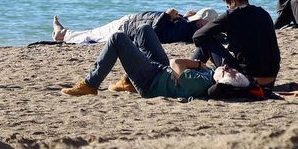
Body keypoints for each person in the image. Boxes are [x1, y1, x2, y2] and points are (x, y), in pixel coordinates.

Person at [60, 25, 216, 98]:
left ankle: (90, 85)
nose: (228, 68)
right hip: (161, 69)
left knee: (117, 38)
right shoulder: (211, 74)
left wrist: (197, 65)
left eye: (229, 71)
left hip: (151, 81)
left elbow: (176, 63)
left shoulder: (201, 83)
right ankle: (128, 82)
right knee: (144, 30)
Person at [191, 0, 281, 85]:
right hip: (270, 78)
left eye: (228, 6)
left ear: (233, 1)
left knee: (207, 41)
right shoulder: (264, 13)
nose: (229, 9)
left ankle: (189, 74)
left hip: (247, 78)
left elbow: (197, 36)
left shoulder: (232, 15)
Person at [52, 7, 216, 46]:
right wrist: (184, 17)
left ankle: (62, 34)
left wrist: (167, 15)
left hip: (129, 26)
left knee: (92, 36)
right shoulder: (187, 27)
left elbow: (156, 34)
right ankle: (64, 33)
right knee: (93, 33)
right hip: (133, 21)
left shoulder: (186, 29)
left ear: (200, 23)